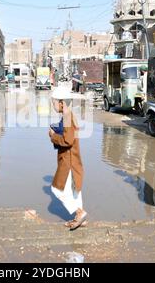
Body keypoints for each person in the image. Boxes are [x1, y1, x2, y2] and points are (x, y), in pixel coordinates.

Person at [49, 86, 87, 231]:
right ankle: (80, 219)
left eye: (53, 102)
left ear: (61, 103)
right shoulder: (68, 115)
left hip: (68, 160)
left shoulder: (67, 117)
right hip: (72, 158)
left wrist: (53, 136)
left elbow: (67, 140)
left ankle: (79, 213)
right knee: (74, 189)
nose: (53, 105)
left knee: (56, 189)